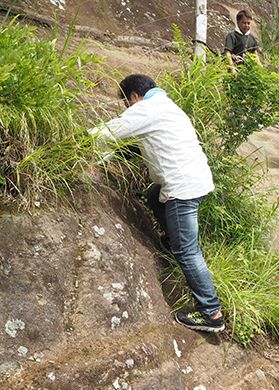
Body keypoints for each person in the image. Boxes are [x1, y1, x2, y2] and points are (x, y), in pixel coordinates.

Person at [88, 74, 225, 333]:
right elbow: (139, 144)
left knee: (188, 252)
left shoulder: (145, 109)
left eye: (126, 103)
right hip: (196, 180)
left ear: (134, 97)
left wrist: (69, 145)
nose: (128, 108)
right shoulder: (168, 106)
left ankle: (211, 314)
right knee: (154, 197)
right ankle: (172, 240)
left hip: (182, 188)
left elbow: (105, 133)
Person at [224, 9, 259, 74]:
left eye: (248, 23)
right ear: (238, 23)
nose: (246, 25)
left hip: (248, 73)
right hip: (234, 71)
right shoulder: (232, 36)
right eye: (244, 23)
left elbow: (255, 56)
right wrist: (232, 69)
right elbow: (227, 53)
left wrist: (259, 69)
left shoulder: (252, 38)